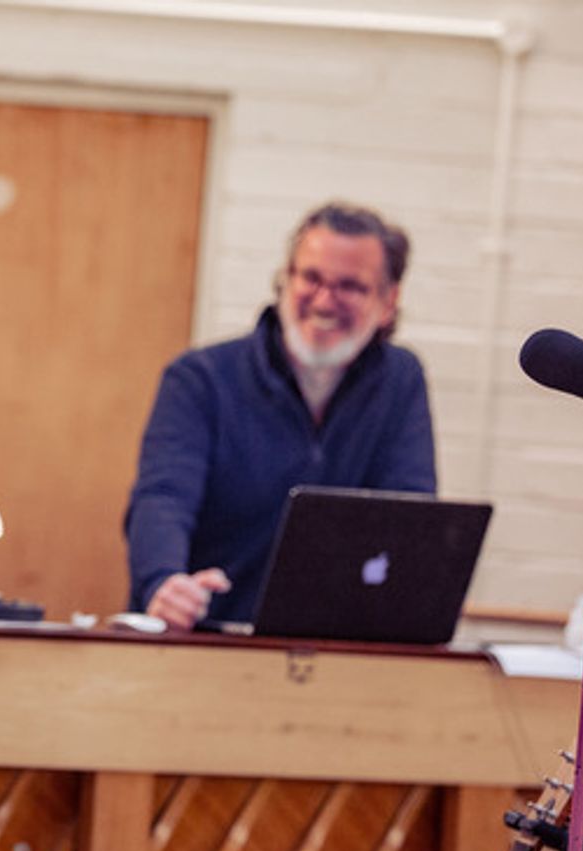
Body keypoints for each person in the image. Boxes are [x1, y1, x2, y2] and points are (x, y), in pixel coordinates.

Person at [124, 200, 436, 630]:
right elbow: (163, 497)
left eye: (350, 286)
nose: (324, 301)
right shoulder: (199, 378)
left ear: (388, 301)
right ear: (285, 279)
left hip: (337, 642)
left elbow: (410, 515)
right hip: (209, 635)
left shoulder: (401, 379)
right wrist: (164, 580)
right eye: (311, 278)